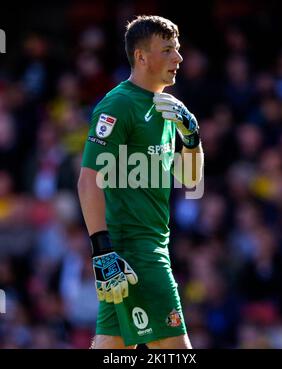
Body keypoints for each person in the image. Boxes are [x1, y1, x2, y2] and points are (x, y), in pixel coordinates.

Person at [77, 15, 204, 349]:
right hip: (135, 252)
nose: (178, 58)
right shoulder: (119, 104)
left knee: (112, 348)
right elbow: (88, 181)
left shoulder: (166, 108)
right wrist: (102, 251)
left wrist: (191, 139)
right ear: (142, 57)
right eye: (168, 50)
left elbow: (190, 178)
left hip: (142, 248)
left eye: (177, 50)